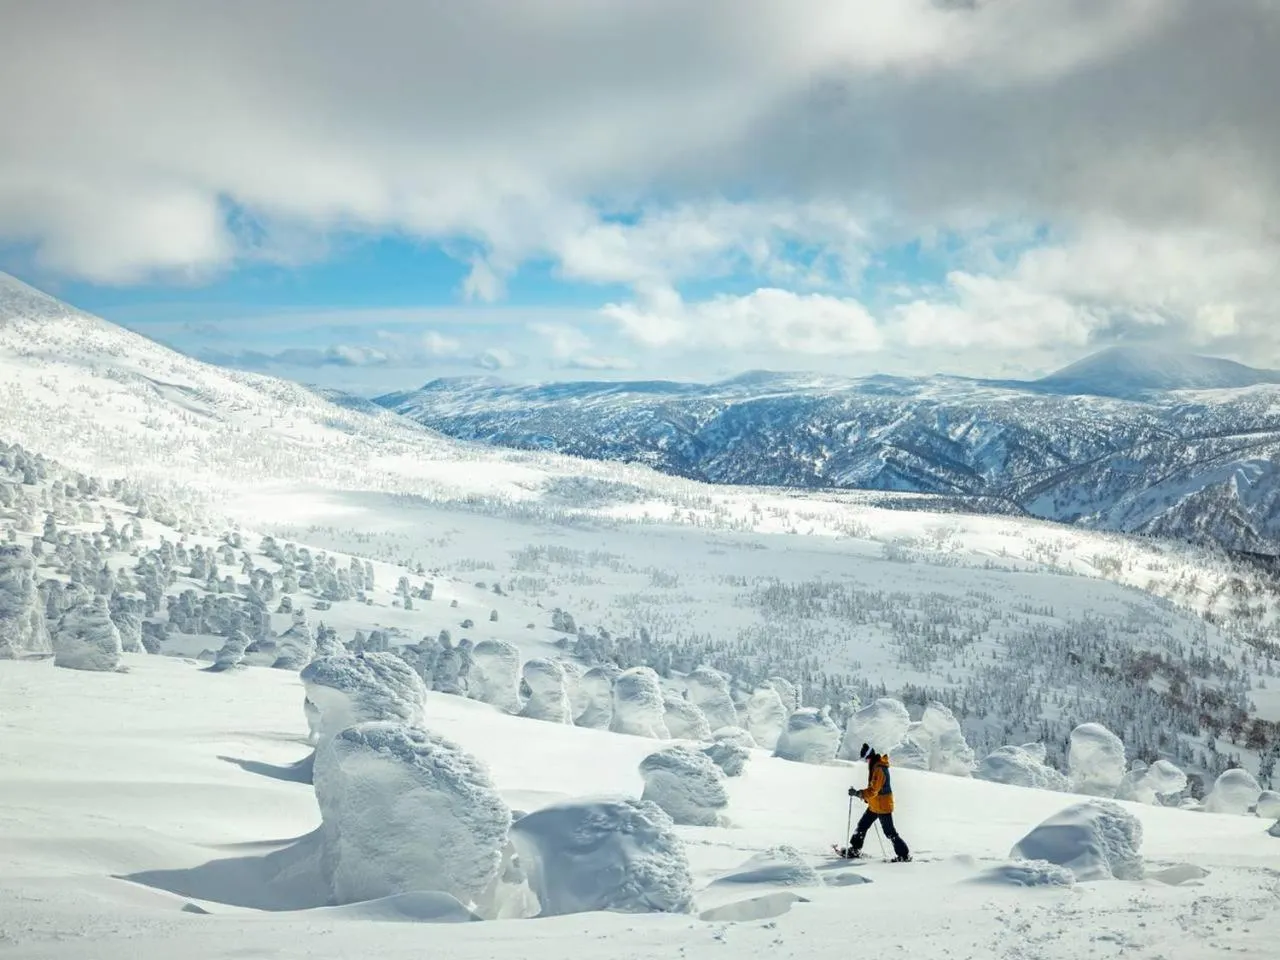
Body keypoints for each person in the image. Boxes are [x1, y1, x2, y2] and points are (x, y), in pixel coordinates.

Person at [843, 742, 911, 861]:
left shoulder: (879, 769)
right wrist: (865, 797)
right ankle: (855, 849)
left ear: (870, 757)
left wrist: (857, 793)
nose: (866, 762)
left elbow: (874, 790)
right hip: (875, 805)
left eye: (866, 759)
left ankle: (904, 855)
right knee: (862, 826)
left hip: (883, 806)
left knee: (889, 832)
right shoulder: (876, 766)